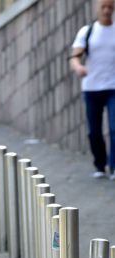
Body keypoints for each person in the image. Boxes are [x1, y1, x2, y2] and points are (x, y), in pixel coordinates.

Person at [70, 0, 115, 179]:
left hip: (113, 87)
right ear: (98, 8)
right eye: (103, 7)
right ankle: (99, 165)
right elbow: (74, 57)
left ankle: (114, 166)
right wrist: (78, 67)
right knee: (94, 131)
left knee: (114, 128)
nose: (106, 11)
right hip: (92, 88)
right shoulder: (87, 31)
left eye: (110, 7)